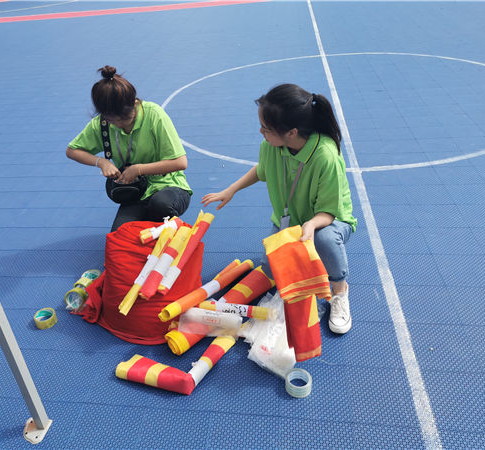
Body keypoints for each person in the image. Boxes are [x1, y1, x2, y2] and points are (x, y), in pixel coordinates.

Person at [201, 84, 357, 334]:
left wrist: (310, 225)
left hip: (326, 220)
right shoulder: (271, 146)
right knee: (271, 271)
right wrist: (231, 189)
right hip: (291, 219)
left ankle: (339, 291)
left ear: (292, 132)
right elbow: (261, 170)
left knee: (324, 239)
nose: (261, 132)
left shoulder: (326, 156)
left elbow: (328, 212)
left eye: (266, 128)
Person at [66, 65, 192, 232]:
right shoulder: (102, 123)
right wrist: (101, 162)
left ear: (134, 103)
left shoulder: (154, 114)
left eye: (125, 119)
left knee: (160, 205)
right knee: (120, 234)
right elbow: (72, 151)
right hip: (135, 192)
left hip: (168, 186)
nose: (119, 124)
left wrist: (138, 169)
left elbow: (180, 162)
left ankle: (169, 229)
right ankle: (153, 226)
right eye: (113, 120)